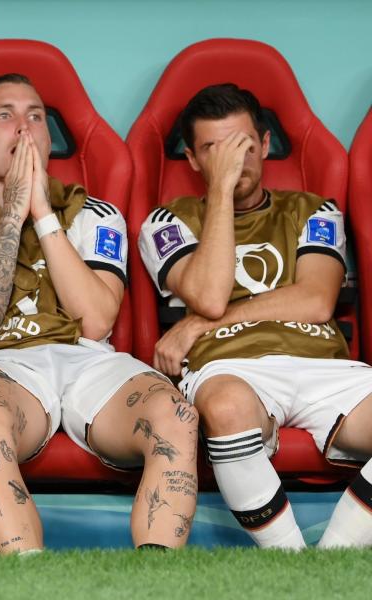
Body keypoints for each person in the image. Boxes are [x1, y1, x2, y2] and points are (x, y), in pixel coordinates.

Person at [0, 73, 198, 553]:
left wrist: (43, 213)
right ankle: (30, 578)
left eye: (36, 117)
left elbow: (96, 321)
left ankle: (159, 580)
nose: (24, 128)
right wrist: (13, 212)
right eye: (5, 115)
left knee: (175, 413)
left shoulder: (95, 213)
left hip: (85, 358)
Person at [139, 82, 372, 549]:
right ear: (192, 159)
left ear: (264, 144)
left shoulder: (313, 210)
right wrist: (221, 190)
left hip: (322, 364)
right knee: (226, 409)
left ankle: (328, 564)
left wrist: (202, 324)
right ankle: (287, 560)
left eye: (242, 146)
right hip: (230, 368)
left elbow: (316, 299)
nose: (233, 161)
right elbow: (206, 294)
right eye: (214, 150)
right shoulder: (168, 220)